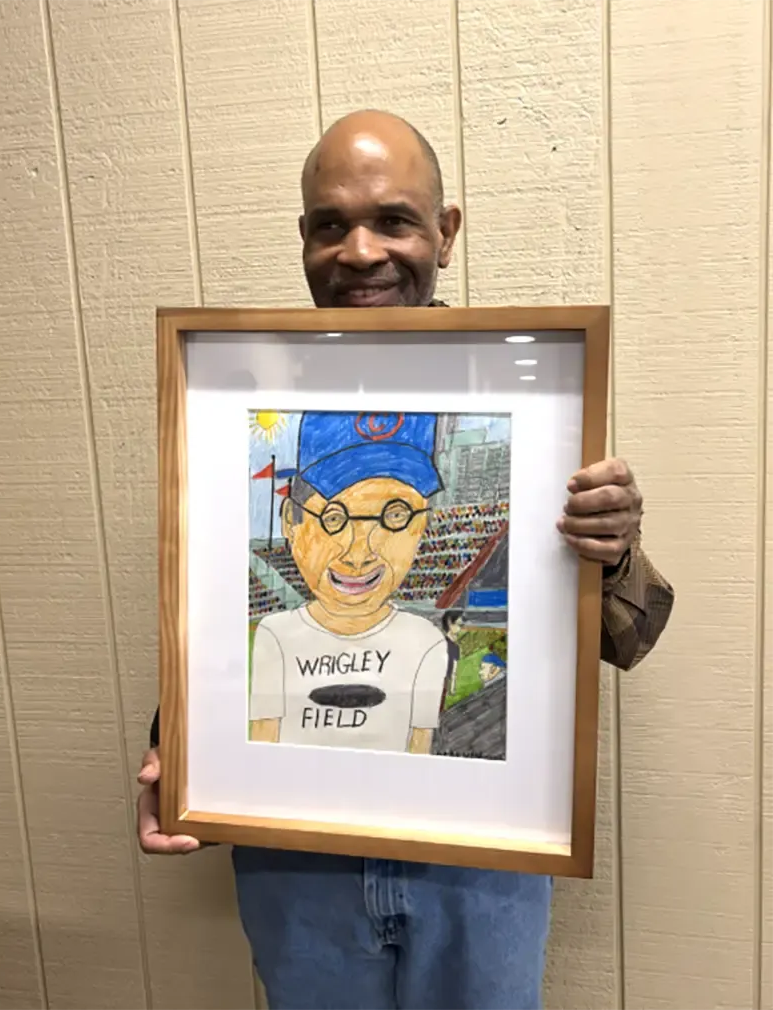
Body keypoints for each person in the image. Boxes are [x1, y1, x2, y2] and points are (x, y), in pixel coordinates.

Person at [138, 109, 675, 1010]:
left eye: (392, 219)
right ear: (303, 239)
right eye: (329, 224)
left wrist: (612, 551)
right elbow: (213, 597)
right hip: (297, 848)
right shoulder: (234, 391)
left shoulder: (528, 393)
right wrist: (180, 756)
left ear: (446, 233)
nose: (359, 251)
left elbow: (632, 638)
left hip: (481, 852)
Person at [249, 409, 448, 755]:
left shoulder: (427, 644)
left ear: (423, 524)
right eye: (334, 517)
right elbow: (261, 753)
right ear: (290, 522)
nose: (359, 554)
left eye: (396, 516)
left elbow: (420, 759)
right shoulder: (275, 637)